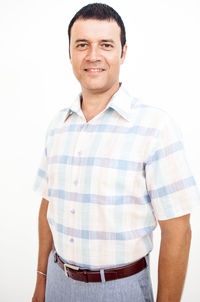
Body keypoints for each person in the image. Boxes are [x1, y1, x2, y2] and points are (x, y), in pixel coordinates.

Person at [32, 3, 200, 302]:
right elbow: (47, 208)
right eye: (82, 44)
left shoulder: (155, 127)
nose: (93, 55)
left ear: (123, 52)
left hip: (121, 290)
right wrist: (41, 282)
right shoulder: (58, 125)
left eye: (105, 45)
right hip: (58, 282)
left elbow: (178, 232)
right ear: (69, 53)